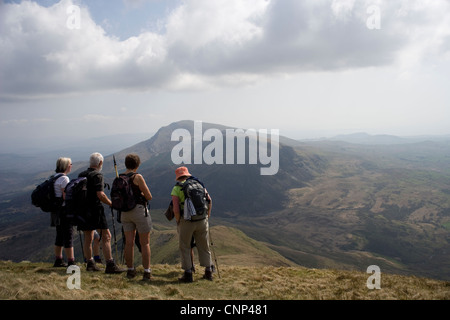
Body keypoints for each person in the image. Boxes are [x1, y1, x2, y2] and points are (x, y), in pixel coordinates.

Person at [78, 152, 125, 274]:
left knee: (88, 237)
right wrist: (111, 203)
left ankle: (90, 263)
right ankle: (110, 264)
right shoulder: (97, 175)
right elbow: (100, 194)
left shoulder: (81, 174)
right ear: (100, 163)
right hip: (96, 210)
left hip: (83, 210)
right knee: (106, 236)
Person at [171, 166, 213, 282]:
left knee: (185, 246)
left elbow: (175, 209)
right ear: (187, 174)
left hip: (187, 221)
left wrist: (179, 221)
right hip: (202, 220)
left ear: (178, 177)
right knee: (204, 246)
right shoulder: (199, 184)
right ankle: (208, 271)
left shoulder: (177, 188)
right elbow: (209, 200)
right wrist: (207, 216)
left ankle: (188, 274)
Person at [120, 154, 153, 281]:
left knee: (129, 243)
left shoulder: (119, 177)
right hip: (139, 211)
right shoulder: (138, 177)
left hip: (124, 213)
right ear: (137, 165)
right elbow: (149, 196)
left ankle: (130, 270)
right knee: (145, 243)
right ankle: (146, 272)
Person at [52, 157, 75, 267]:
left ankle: (58, 260)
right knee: (68, 235)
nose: (71, 166)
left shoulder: (54, 177)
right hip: (64, 210)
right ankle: (71, 262)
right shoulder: (64, 179)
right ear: (66, 166)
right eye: (70, 164)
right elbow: (66, 196)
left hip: (56, 211)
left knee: (59, 235)